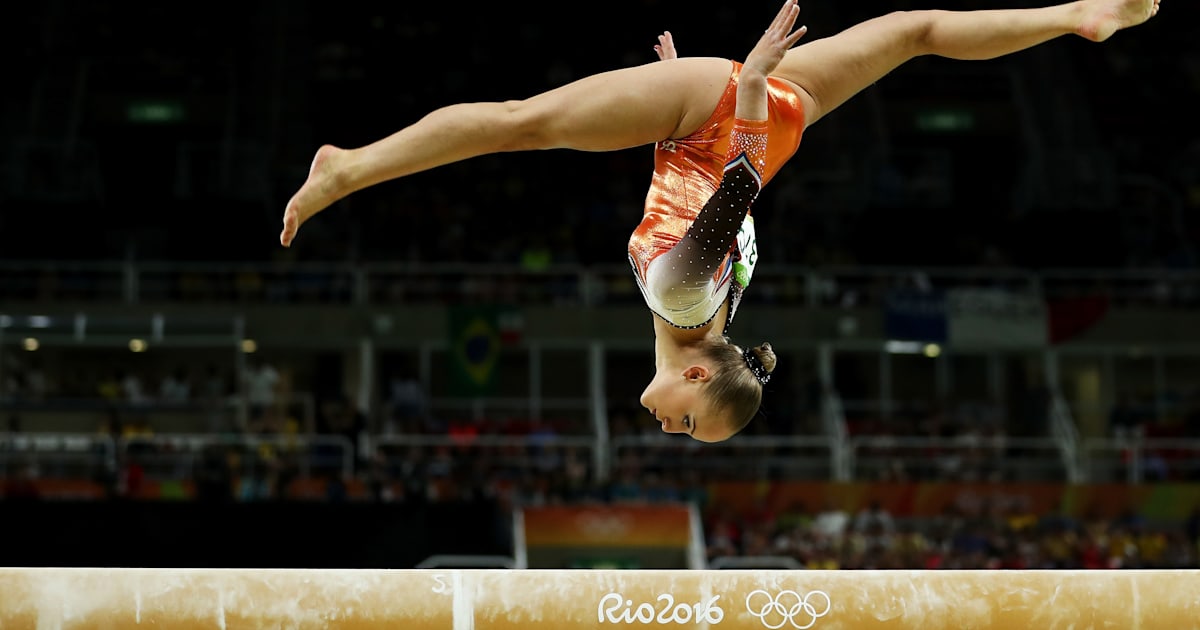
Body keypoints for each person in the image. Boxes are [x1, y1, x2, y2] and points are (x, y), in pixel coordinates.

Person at [279, 0, 1162, 443]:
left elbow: (704, 203)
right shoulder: (688, 304)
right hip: (724, 117)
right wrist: (734, 89)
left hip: (760, 125)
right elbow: (731, 188)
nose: (672, 431)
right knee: (523, 122)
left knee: (914, 30)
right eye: (691, 427)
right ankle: (350, 166)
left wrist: (675, 96)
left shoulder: (718, 309)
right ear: (699, 380)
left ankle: (1075, 16)